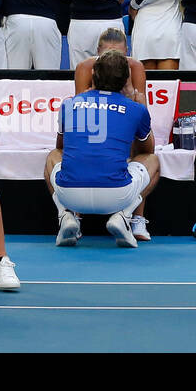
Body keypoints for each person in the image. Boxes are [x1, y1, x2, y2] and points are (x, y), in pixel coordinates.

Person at [46, 49, 160, 248]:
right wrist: (140, 108)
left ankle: (65, 216)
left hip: (70, 195)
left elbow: (60, 148)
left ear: (93, 75)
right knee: (153, 161)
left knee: (53, 156)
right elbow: (147, 149)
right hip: (117, 197)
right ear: (126, 80)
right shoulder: (136, 108)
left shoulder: (69, 105)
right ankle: (124, 216)